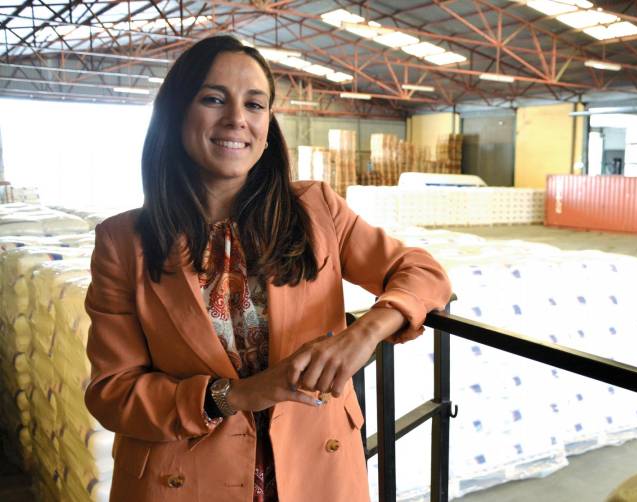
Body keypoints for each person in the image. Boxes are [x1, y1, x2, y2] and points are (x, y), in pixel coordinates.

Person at [84, 35, 452, 502]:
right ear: (176, 113)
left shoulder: (317, 209)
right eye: (213, 98)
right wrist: (236, 395)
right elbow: (114, 391)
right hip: (184, 476)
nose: (237, 118)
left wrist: (363, 336)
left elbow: (421, 271)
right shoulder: (123, 241)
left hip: (314, 468)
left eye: (255, 104)